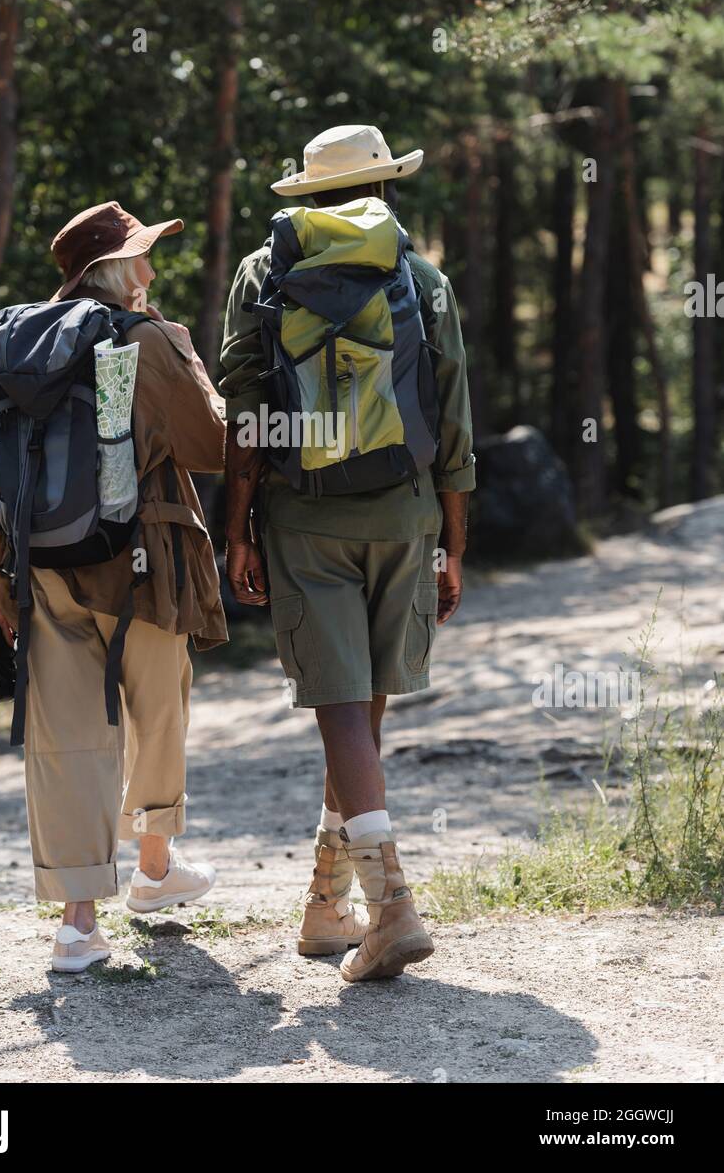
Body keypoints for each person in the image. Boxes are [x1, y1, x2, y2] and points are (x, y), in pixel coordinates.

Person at [219, 125, 475, 982]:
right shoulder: (420, 276)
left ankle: (391, 905)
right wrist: (453, 547)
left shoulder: (263, 274)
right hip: (405, 516)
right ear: (386, 189)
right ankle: (328, 906)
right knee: (359, 710)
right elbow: (453, 421)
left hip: (304, 517)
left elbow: (245, 412)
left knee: (338, 707)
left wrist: (238, 526)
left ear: (307, 196)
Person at [0, 202, 228, 972]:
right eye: (142, 258)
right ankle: (153, 869)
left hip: (41, 563)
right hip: (142, 557)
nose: (150, 272)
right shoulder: (143, 339)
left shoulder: (19, 347)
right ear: (115, 272)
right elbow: (212, 444)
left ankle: (78, 926)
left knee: (67, 736)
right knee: (158, 707)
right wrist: (190, 361)